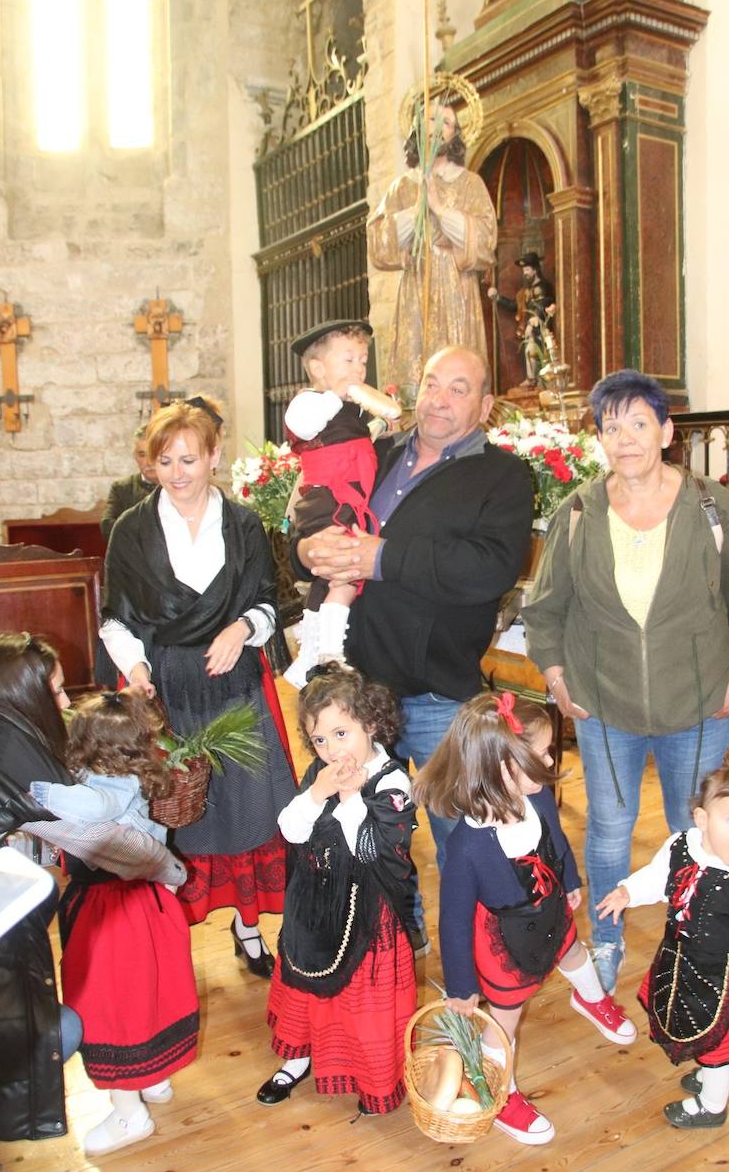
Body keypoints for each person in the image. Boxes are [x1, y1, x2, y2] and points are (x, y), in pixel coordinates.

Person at [521, 368, 729, 995]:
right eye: (612, 427)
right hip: (602, 701)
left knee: (694, 831)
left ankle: (691, 937)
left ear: (666, 431)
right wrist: (557, 678)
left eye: (639, 423)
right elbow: (545, 607)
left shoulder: (712, 506)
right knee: (609, 827)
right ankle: (607, 940)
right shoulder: (578, 511)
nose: (626, 438)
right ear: (601, 438)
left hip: (696, 704)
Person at [294, 345, 534, 898]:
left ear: (486, 404)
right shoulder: (369, 451)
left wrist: (383, 558)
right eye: (432, 384)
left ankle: (473, 964)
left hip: (436, 697)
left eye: (459, 389)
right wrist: (307, 551)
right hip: (352, 694)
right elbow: (310, 512)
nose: (440, 400)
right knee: (362, 839)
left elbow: (488, 569)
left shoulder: (501, 477)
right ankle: (391, 952)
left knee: (462, 838)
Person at [0, 633, 184, 1172]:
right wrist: (169, 870)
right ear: (21, 694)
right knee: (69, 1022)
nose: (63, 704)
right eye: (54, 692)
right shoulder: (9, 766)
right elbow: (105, 841)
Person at [99, 393, 296, 972]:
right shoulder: (130, 532)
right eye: (165, 462)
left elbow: (269, 602)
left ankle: (249, 927)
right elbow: (116, 617)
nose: (178, 474)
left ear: (213, 456)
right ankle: (169, 941)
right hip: (168, 695)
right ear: (150, 466)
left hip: (234, 684)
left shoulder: (244, 525)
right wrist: (136, 668)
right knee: (178, 823)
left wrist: (241, 628)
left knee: (248, 811)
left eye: (189, 459)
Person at [414, 692, 636, 1147]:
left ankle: (591, 999)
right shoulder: (467, 847)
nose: (551, 758)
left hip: (550, 907)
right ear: (503, 768)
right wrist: (460, 986)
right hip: (505, 938)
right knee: (505, 1018)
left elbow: (554, 841)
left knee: (572, 949)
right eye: (542, 753)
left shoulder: (537, 800)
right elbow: (452, 922)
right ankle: (499, 1092)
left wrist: (570, 878)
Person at [29, 688, 198, 1156]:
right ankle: (155, 1078)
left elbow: (92, 810)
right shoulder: (129, 774)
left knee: (111, 1007)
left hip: (112, 913)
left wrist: (37, 792)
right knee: (149, 993)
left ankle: (129, 1113)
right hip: (147, 907)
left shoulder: (105, 787)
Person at [257, 663, 417, 1116]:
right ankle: (299, 1056)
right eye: (320, 739)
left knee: (361, 1002)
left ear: (370, 723)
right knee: (304, 983)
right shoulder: (319, 773)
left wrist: (349, 798)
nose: (331, 749)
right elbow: (289, 830)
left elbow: (370, 850)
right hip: (312, 904)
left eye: (341, 734)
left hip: (366, 914)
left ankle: (373, 1074)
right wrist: (315, 795)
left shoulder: (393, 783)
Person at [598, 764, 729, 1128]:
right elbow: (658, 878)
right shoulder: (681, 845)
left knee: (719, 1038)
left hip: (725, 972)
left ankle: (711, 1107)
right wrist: (628, 891)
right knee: (695, 1023)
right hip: (681, 958)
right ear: (702, 819)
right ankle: (717, 1075)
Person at [283, 319, 401, 687]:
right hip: (328, 500)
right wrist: (338, 394)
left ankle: (308, 657)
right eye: (348, 360)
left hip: (350, 499)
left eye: (363, 362)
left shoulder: (349, 411)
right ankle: (329, 655)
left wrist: (379, 425)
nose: (359, 370)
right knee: (347, 572)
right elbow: (304, 428)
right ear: (318, 368)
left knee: (333, 578)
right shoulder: (308, 402)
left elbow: (356, 440)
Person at [367, 102, 497, 401]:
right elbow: (378, 243)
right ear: (416, 130)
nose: (437, 128)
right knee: (415, 374)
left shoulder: (469, 184)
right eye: (429, 121)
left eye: (446, 123)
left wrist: (439, 209)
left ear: (454, 135)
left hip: (456, 288)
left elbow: (486, 241)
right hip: (416, 286)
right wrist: (416, 212)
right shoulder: (402, 187)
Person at [487, 251, 557, 387]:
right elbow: (516, 306)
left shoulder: (542, 287)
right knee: (528, 351)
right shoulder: (525, 291)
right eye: (524, 270)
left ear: (535, 269)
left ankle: (535, 380)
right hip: (528, 330)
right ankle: (532, 379)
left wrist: (533, 322)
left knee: (532, 351)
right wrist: (498, 298)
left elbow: (542, 306)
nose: (524, 273)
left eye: (527, 270)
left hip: (540, 331)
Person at [100, 425, 158, 541]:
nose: (148, 462)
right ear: (134, 456)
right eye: (142, 455)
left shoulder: (177, 486)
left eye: (153, 453)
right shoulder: (121, 488)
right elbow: (107, 526)